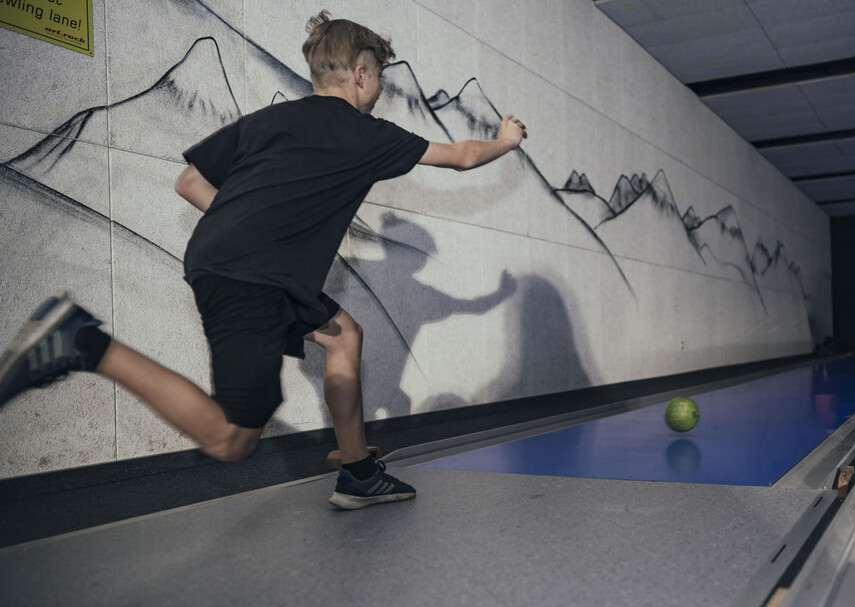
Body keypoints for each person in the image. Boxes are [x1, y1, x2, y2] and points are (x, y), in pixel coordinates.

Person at [0, 11, 527, 509]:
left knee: (343, 334)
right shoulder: (368, 134)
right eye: (380, 76)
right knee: (233, 439)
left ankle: (359, 474)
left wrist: (250, 225)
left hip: (248, 267)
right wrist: (505, 141)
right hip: (248, 277)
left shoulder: (272, 118)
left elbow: (190, 181)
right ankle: (81, 341)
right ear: (361, 73)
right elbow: (460, 157)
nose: (380, 89)